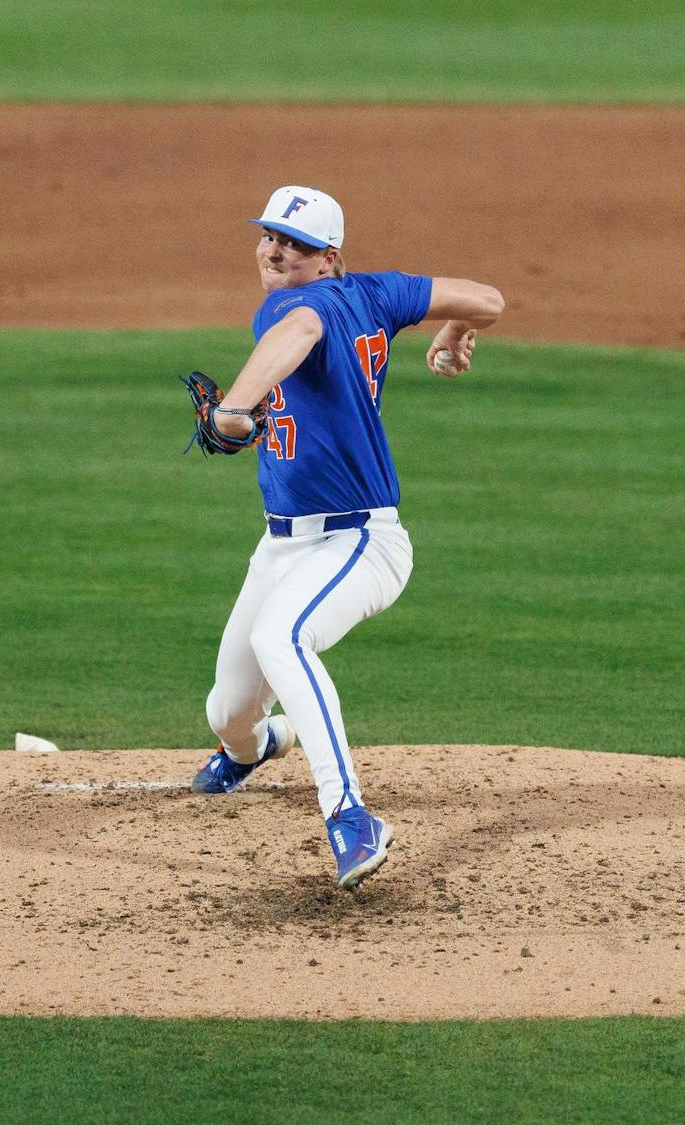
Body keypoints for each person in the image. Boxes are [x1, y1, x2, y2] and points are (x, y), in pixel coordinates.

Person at [185, 185, 504, 890]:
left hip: (360, 542)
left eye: (294, 244)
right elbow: (487, 297)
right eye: (269, 236)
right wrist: (453, 328)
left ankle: (351, 815)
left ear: (329, 258)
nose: (275, 251)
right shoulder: (378, 294)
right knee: (227, 710)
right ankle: (255, 749)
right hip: (283, 547)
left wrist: (235, 408)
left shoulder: (296, 306)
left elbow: (296, 334)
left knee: (282, 637)